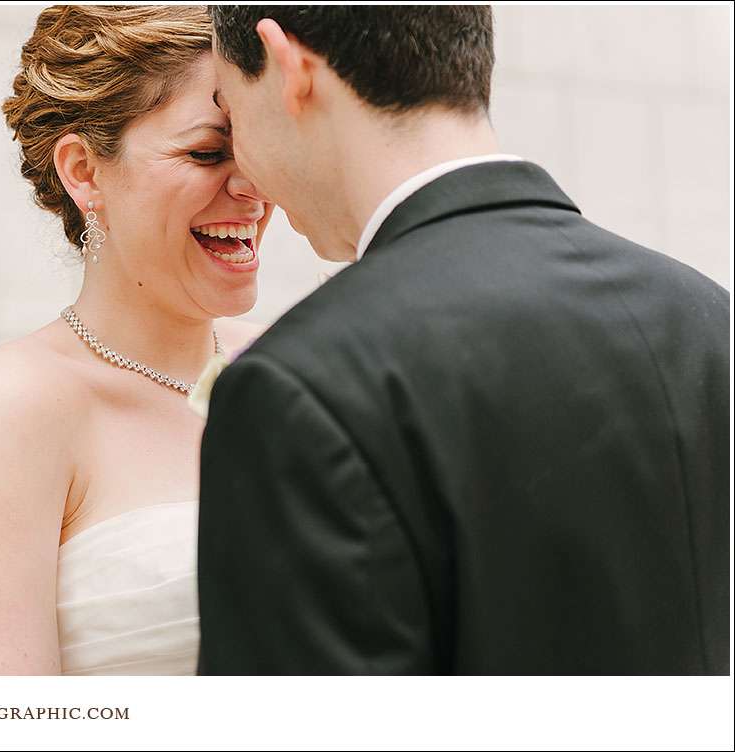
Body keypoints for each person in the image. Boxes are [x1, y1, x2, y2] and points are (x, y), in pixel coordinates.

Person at [197, 5, 730, 674]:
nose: (243, 175)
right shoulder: (707, 316)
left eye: (230, 109)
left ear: (286, 66)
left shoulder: (301, 384)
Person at [0, 5, 269, 675]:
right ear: (83, 171)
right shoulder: (11, 409)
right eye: (208, 151)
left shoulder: (288, 359)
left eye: (261, 145)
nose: (253, 188)